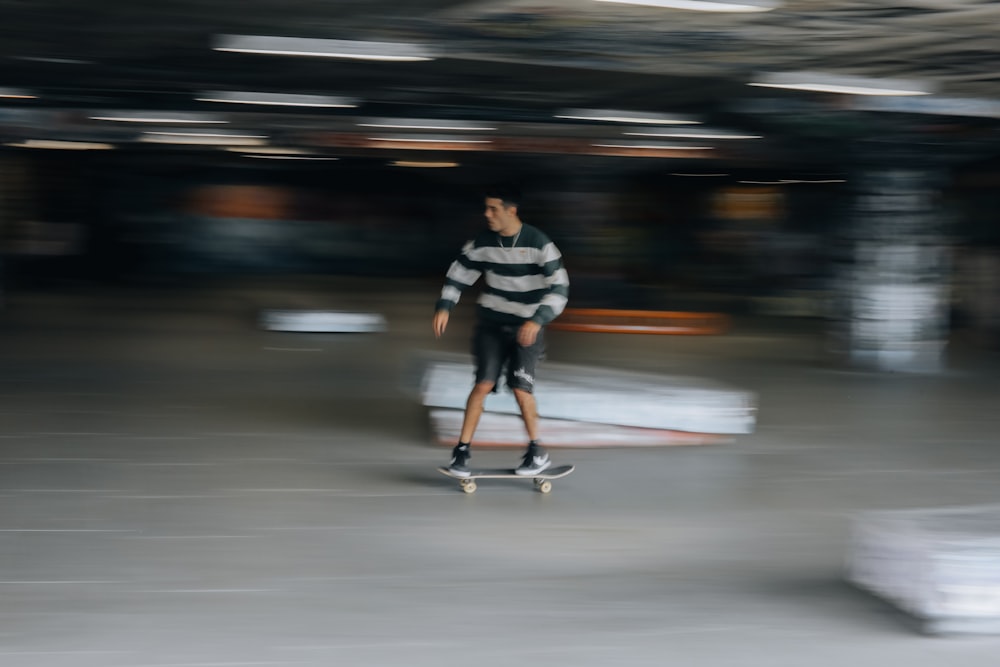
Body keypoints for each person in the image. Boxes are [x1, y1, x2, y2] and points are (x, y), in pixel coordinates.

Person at [433, 186, 569, 477]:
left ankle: (536, 452)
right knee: (482, 383)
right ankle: (461, 452)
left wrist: (537, 319)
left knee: (521, 388)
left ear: (511, 210)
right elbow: (459, 273)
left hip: (526, 328)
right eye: (486, 208)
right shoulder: (483, 242)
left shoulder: (538, 243)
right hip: (491, 325)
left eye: (493, 209)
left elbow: (560, 288)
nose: (487, 214)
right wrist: (445, 306)